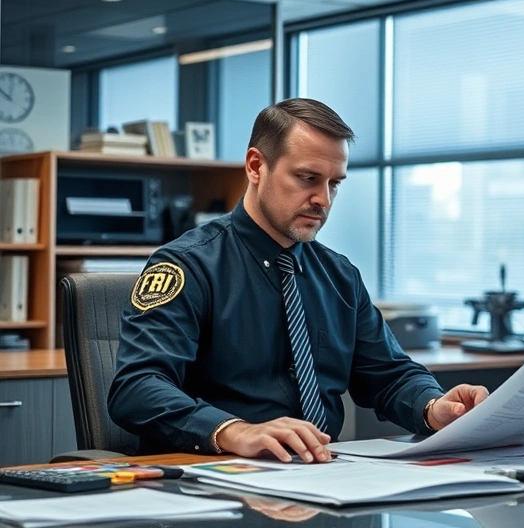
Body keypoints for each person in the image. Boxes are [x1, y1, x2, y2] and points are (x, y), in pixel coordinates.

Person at [108, 98, 489, 463]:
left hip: (320, 476)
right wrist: (234, 431)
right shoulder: (187, 266)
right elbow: (137, 388)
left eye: (334, 183)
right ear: (256, 167)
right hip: (213, 476)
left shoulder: (339, 276)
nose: (323, 199)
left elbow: (389, 375)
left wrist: (435, 407)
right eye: (307, 178)